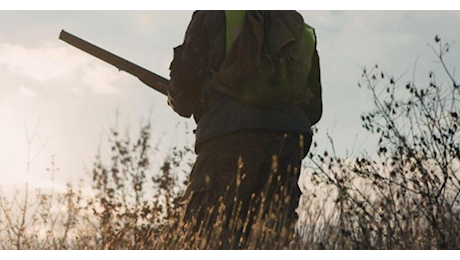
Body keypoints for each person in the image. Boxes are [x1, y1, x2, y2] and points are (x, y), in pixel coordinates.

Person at [168, 10, 322, 249]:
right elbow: (313, 110)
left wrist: (190, 99)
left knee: (203, 237)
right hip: (288, 149)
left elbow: (184, 93)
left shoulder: (213, 14)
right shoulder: (302, 30)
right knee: (269, 241)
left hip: (227, 143)